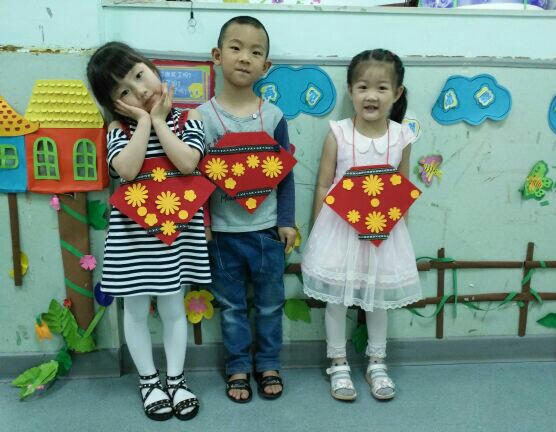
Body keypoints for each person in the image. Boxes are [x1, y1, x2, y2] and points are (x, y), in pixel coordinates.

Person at [87, 42, 210, 421]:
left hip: (176, 236)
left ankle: (176, 379)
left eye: (140, 76)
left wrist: (159, 121)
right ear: (114, 104)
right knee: (136, 310)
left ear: (153, 69)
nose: (140, 91)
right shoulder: (117, 128)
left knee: (173, 308)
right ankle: (149, 381)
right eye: (124, 91)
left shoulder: (190, 119)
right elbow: (126, 169)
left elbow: (187, 163)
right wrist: (143, 123)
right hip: (133, 239)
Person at [301, 49, 421, 401]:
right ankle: (338, 362)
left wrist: (402, 232)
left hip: (385, 233)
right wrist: (317, 230)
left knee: (378, 299)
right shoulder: (338, 133)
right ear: (350, 90)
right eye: (363, 87)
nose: (372, 95)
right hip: (340, 230)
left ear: (397, 93)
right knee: (337, 300)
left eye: (382, 88)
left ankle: (377, 363)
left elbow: (403, 187)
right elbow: (323, 184)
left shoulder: (401, 136)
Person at [198, 16, 296, 403]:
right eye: (235, 48)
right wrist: (205, 223)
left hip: (267, 232)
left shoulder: (273, 117)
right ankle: (237, 366)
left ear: (265, 66)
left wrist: (286, 221)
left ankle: (268, 363)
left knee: (271, 305)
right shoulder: (201, 118)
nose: (244, 58)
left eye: (255, 52)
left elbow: (285, 174)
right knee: (231, 307)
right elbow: (194, 179)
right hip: (222, 235)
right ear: (217, 55)